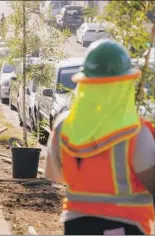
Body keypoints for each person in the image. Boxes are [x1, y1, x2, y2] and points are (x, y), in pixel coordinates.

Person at [45, 39, 155, 235]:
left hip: (75, 226)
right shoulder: (137, 134)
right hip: (127, 226)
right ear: (126, 83)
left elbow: (57, 176)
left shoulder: (63, 127)